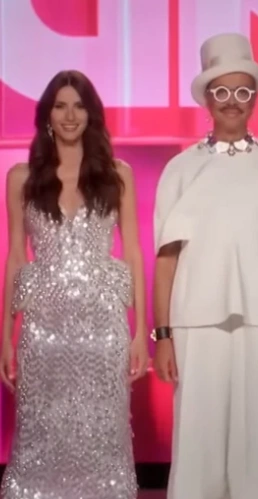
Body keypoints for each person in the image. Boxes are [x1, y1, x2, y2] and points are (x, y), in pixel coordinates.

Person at [151, 33, 258, 499]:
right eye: (221, 91)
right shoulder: (181, 169)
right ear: (207, 98)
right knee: (197, 443)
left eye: (242, 91)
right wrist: (163, 336)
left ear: (255, 98)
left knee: (257, 446)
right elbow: (166, 260)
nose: (231, 101)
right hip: (194, 324)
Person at [0, 70, 148, 498]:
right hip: (42, 331)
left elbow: (133, 253)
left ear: (91, 114)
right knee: (40, 437)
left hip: (103, 331)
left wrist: (141, 332)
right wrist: (6, 335)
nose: (70, 116)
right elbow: (15, 257)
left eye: (79, 106)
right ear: (47, 115)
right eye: (61, 106)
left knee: (102, 436)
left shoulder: (117, 174)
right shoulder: (21, 177)